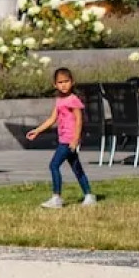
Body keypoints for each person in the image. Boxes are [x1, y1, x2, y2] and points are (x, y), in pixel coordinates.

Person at [27, 67, 96, 209]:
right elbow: (52, 119)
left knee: (54, 165)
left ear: (72, 82)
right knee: (77, 168)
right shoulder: (59, 101)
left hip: (69, 140)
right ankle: (89, 195)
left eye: (66, 81)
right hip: (64, 139)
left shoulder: (73, 100)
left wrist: (76, 139)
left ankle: (56, 197)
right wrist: (37, 130)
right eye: (60, 82)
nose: (64, 85)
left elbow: (79, 120)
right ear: (55, 84)